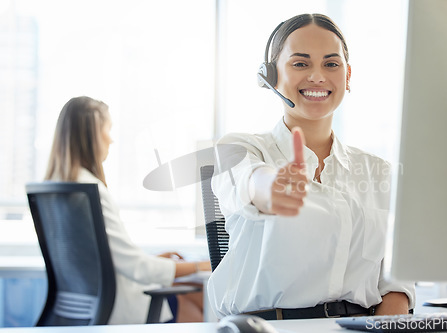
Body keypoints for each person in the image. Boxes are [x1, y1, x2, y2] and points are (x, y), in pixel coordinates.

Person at [206, 13, 415, 320]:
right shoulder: (240, 149)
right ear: (271, 75)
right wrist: (270, 188)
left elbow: (396, 285)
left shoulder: (379, 172)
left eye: (331, 64)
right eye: (301, 63)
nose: (317, 76)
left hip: (357, 327)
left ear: (347, 76)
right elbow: (249, 182)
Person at [45, 96, 211, 324]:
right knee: (202, 296)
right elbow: (137, 269)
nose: (111, 140)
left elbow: (101, 260)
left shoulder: (57, 187)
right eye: (108, 129)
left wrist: (154, 260)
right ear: (93, 134)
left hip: (85, 307)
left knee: (190, 291)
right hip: (121, 307)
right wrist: (202, 264)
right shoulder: (90, 189)